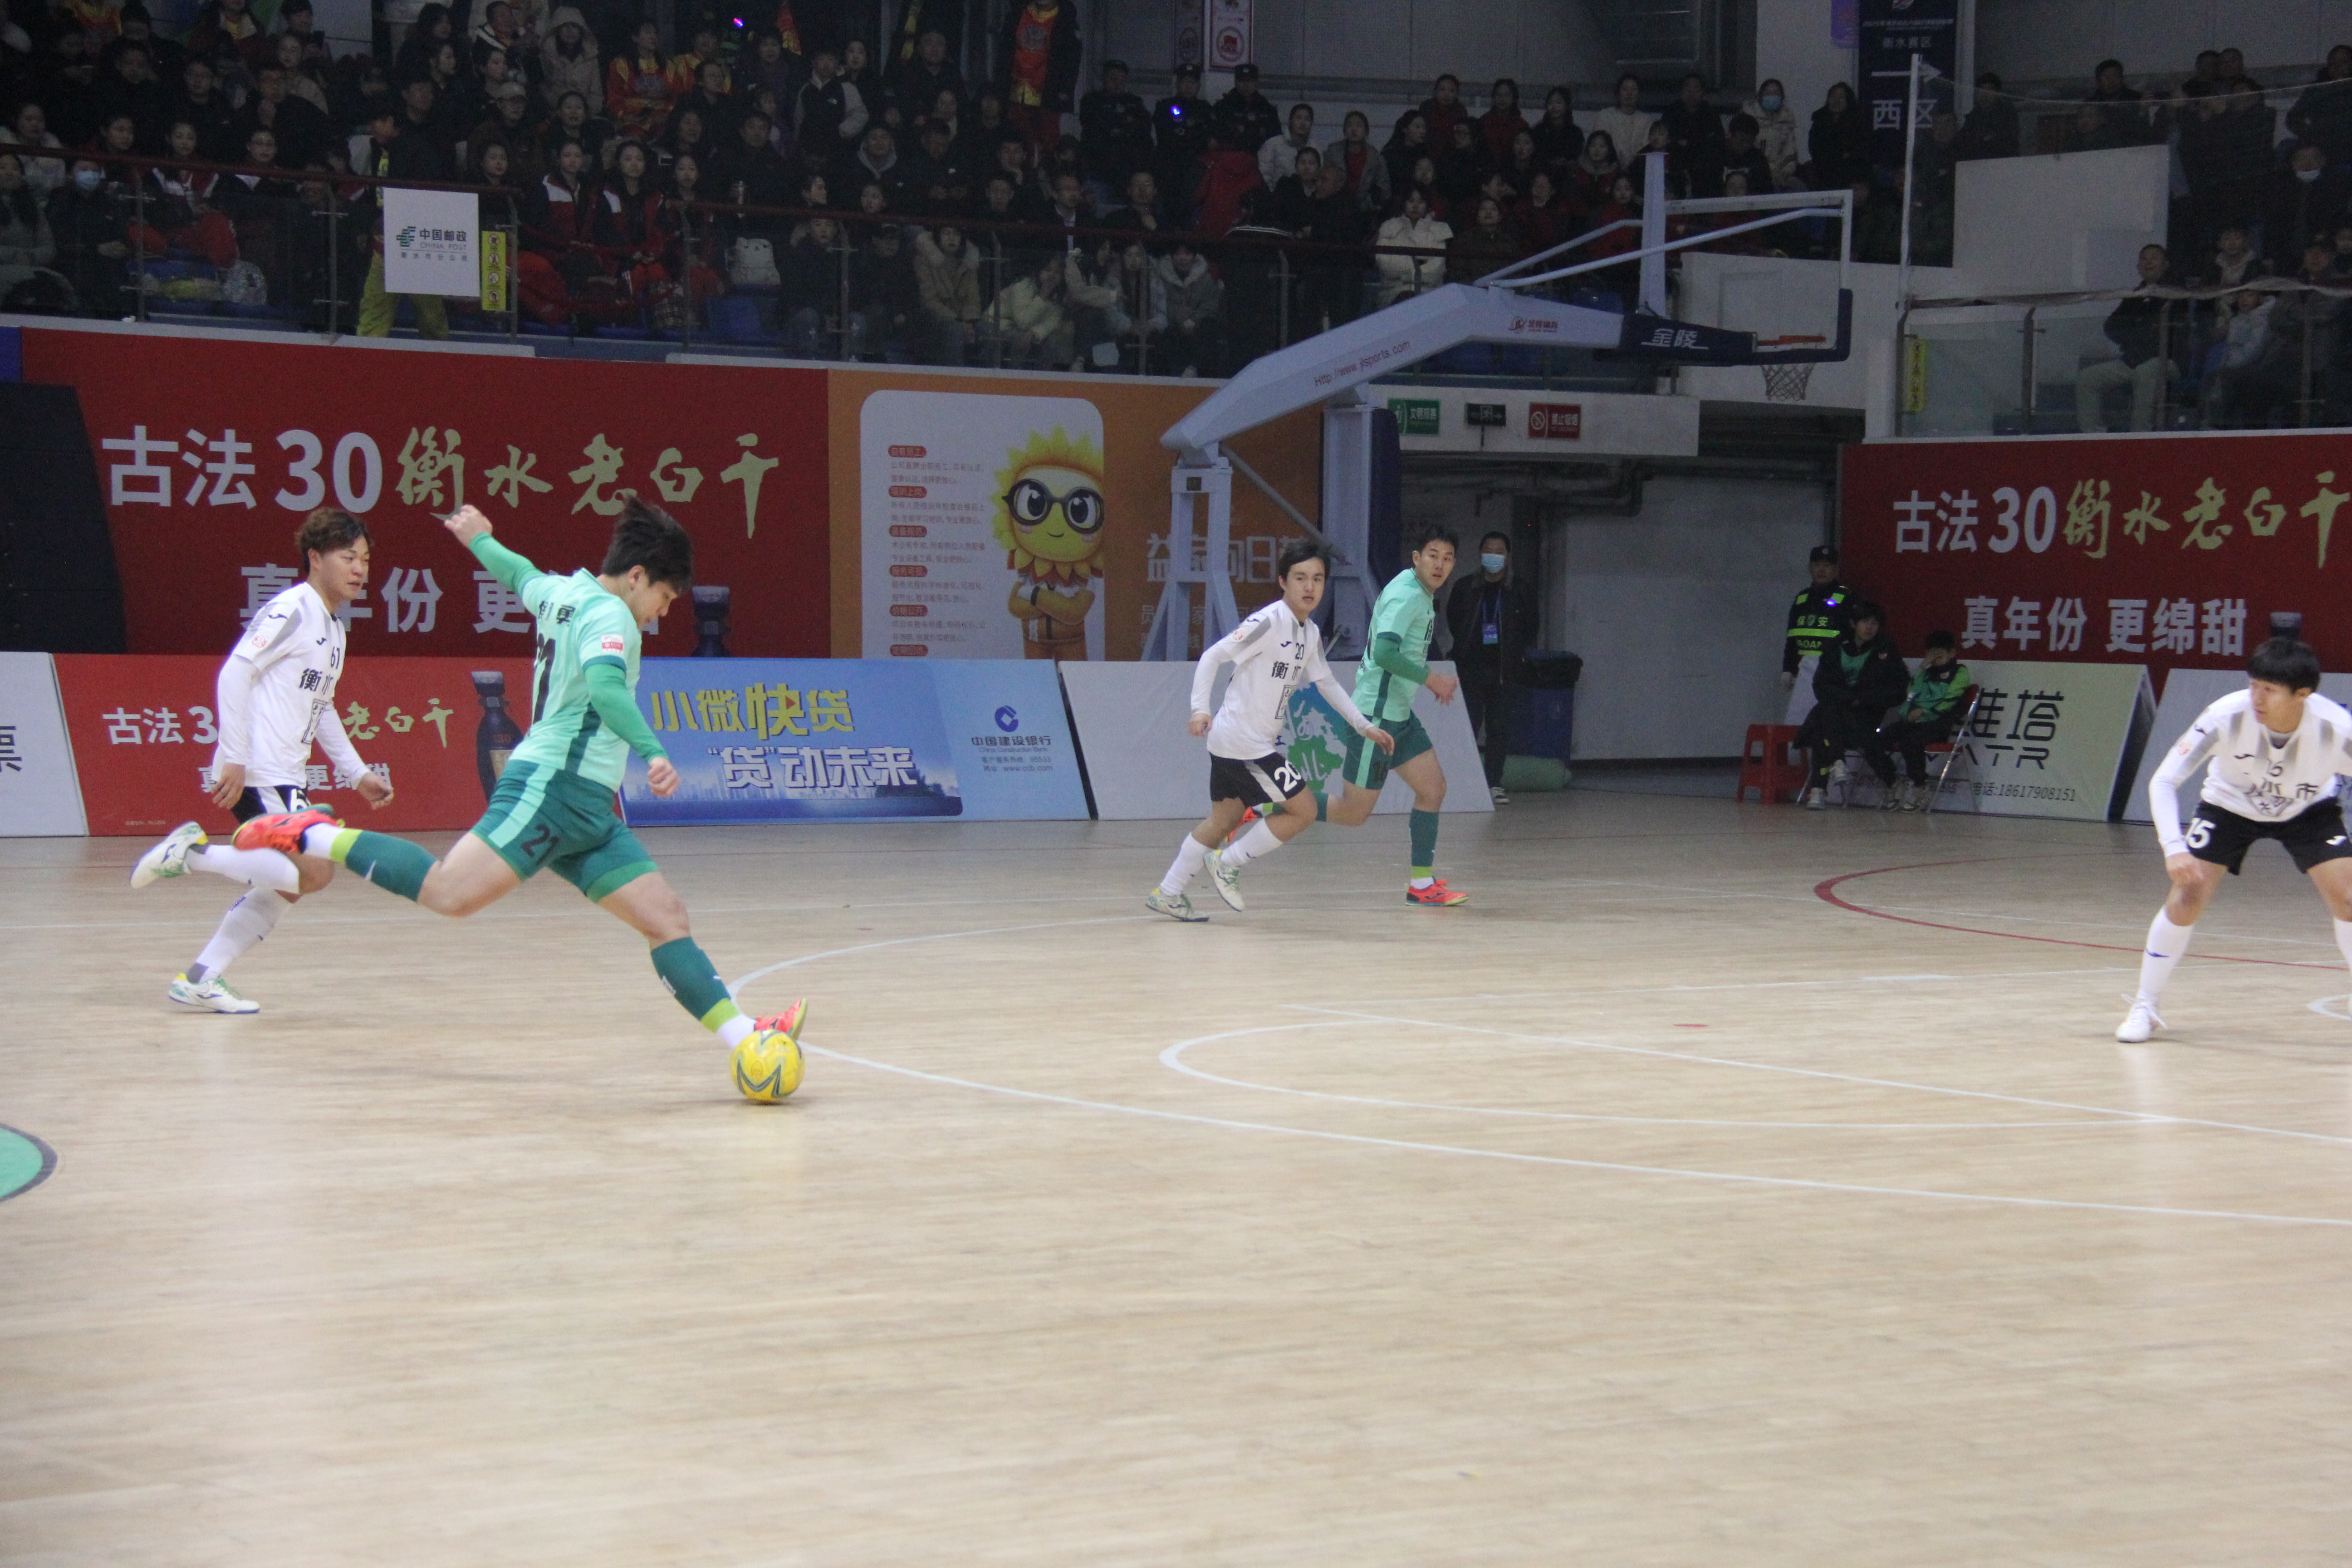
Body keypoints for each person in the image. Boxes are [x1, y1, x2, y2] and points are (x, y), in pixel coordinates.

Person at [132, 500, 811, 1071]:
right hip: (551, 790)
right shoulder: (610, 618)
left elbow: (519, 575)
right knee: (448, 894)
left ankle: (746, 1039)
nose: (659, 616)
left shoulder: (562, 592)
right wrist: (653, 752)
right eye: (663, 599)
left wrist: (480, 539)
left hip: (589, 810)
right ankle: (312, 832)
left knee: (667, 919)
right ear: (637, 577)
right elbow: (607, 687)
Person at [128, 507, 392, 1011]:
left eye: (364, 559)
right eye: (348, 557)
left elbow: (322, 706)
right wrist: (235, 754)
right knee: (314, 873)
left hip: (286, 774)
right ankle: (190, 856)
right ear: (315, 558)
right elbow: (236, 671)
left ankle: (201, 978)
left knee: (290, 884)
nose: (360, 569)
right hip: (260, 769)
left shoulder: (334, 630)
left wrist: (357, 772)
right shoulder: (292, 609)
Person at [2119, 636, 2352, 1043]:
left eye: (2269, 690)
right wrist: (2173, 848)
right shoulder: (2225, 716)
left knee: (2348, 899)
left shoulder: (2337, 730)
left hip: (2308, 810)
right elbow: (2164, 780)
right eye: (2253, 685)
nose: (2256, 697)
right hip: (2227, 807)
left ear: (2303, 694)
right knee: (2187, 897)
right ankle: (2145, 1006)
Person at [1147, 540, 1394, 922]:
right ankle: (1227, 863)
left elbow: (1326, 682)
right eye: (1300, 578)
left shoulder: (1310, 633)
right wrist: (1200, 709)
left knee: (1224, 820)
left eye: (1318, 579)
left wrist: (1362, 725)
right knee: (1304, 810)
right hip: (1243, 742)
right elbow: (1212, 656)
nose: (1309, 587)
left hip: (1239, 742)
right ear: (1283, 581)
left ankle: (1169, 892)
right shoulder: (1267, 622)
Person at [1312, 525, 1469, 905]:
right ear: (1417, 558)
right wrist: (1431, 679)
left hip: (1399, 715)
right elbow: (1385, 654)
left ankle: (1421, 885)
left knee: (1433, 790)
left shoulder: (1416, 590)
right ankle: (1268, 802)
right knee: (1353, 814)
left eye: (1448, 559)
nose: (1440, 565)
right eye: (1432, 556)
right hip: (1376, 718)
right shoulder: (1408, 596)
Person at [1444, 529, 1534, 803]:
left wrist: (1517, 653)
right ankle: (1463, 784)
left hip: (1505, 670)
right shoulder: (1465, 587)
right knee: (1467, 727)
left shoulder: (1520, 590)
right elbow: (1454, 621)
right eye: (1489, 551)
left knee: (1499, 729)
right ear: (1480, 554)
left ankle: (1494, 783)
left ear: (1508, 557)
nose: (1493, 556)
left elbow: (1531, 626)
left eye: (1499, 552)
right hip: (1470, 668)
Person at [1797, 599, 1904, 809]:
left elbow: (1898, 688)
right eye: (1865, 622)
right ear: (1854, 624)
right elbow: (1822, 685)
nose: (1869, 628)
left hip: (1868, 712)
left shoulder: (1885, 648)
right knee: (1827, 717)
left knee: (1823, 723)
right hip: (1839, 707)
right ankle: (1838, 765)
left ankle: (1821, 786)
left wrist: (1863, 699)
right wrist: (1847, 698)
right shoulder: (1835, 646)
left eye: (1874, 623)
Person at [2074, 242, 2188, 432]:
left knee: (2146, 371)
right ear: (2138, 267)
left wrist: (2137, 333)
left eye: (2154, 258)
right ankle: (2094, 435)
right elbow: (2112, 326)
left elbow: (2167, 332)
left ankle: (2140, 434)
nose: (2148, 262)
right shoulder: (2135, 296)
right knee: (2088, 378)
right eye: (2144, 259)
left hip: (2166, 361)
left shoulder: (2177, 293)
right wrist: (2135, 338)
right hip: (2132, 361)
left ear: (2166, 264)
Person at [1860, 630, 1970, 812]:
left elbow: (1950, 701)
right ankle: (1893, 782)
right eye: (1931, 656)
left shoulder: (1960, 672)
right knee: (1872, 741)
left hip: (1938, 724)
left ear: (1952, 653)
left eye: (1940, 656)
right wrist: (1922, 668)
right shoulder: (1925, 674)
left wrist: (1923, 712)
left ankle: (1920, 786)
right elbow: (1910, 694)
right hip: (1912, 722)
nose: (1935, 661)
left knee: (1910, 742)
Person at [1781, 543, 1852, 722]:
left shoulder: (1846, 599)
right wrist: (1788, 669)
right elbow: (1792, 638)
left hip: (1832, 676)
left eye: (1827, 566)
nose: (1821, 570)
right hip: (1802, 676)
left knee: (1827, 723)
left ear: (1835, 569)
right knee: (1799, 722)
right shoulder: (1802, 599)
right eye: (1817, 565)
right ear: (1810, 568)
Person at [1373, 184, 1448, 305]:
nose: (1415, 206)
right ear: (1404, 203)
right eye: (1411, 201)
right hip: (1394, 294)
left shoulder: (1439, 230)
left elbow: (1436, 270)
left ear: (1427, 205)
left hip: (1430, 295)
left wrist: (1405, 270)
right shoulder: (1389, 227)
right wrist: (1419, 264)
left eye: (1421, 202)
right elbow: (1385, 264)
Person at [1210, 62, 1279, 166]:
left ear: (1256, 83)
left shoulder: (1266, 109)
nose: (1246, 85)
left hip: (1260, 163)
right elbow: (1215, 140)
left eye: (1250, 81)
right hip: (1229, 162)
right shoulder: (1223, 107)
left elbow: (1276, 140)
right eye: (1242, 81)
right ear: (1235, 82)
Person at [1588, 73, 1653, 181]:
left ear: (1639, 93)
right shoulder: (1605, 115)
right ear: (1618, 93)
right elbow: (1600, 145)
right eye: (1625, 89)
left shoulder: (1646, 120)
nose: (1629, 94)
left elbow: (1645, 149)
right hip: (1608, 172)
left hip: (1636, 173)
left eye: (1634, 89)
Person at [1256, 99, 1314, 189]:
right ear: (1291, 121)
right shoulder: (1273, 144)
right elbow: (1263, 175)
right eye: (1299, 118)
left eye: (1307, 119)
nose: (1303, 123)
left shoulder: (1315, 148)